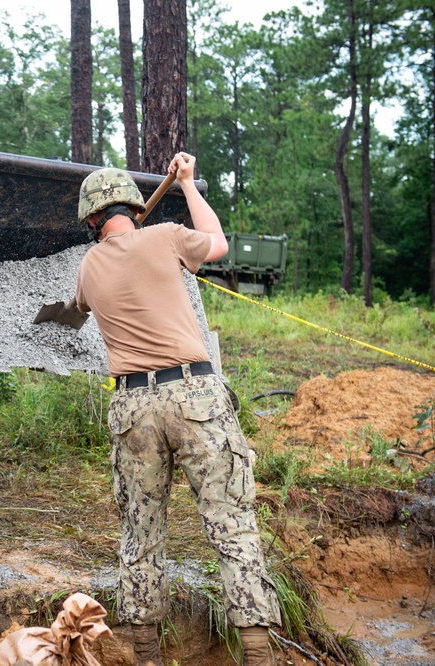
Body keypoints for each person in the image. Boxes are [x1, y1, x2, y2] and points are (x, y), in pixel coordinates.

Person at [71, 154, 281, 666]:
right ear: (133, 206)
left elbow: (73, 312)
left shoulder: (88, 267)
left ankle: (145, 655)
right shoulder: (165, 236)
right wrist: (187, 185)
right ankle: (257, 652)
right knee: (230, 523)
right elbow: (219, 242)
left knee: (141, 532)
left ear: (92, 219)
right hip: (194, 396)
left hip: (132, 406)